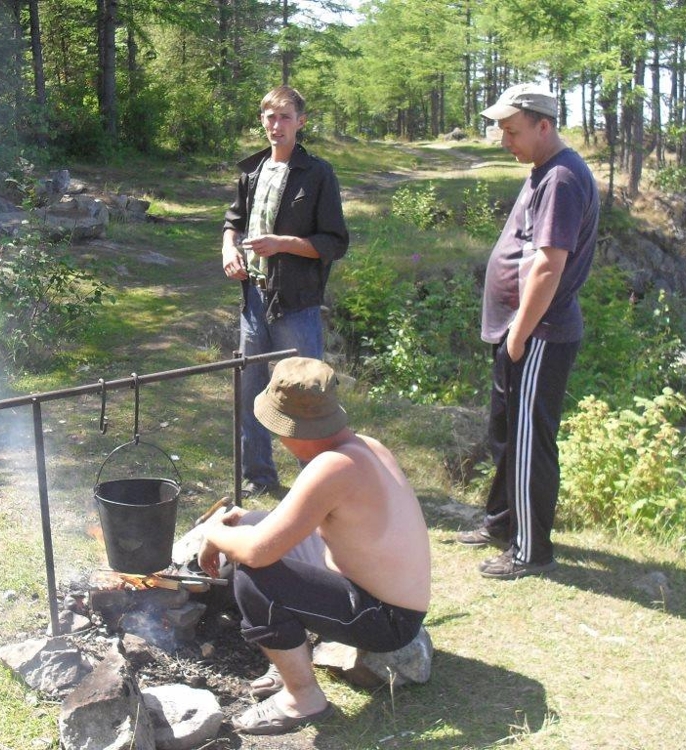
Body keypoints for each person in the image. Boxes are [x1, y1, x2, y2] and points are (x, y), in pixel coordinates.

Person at [197, 357, 430, 735]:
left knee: (255, 575)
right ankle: (291, 658)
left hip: (388, 619)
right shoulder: (364, 446)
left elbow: (258, 553)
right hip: (376, 592)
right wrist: (239, 529)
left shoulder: (331, 468)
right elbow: (280, 527)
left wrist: (213, 532)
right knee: (253, 523)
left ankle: (303, 698)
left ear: (294, 430)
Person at [456, 83, 599, 580]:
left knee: (529, 440)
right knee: (505, 433)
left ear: (544, 126)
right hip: (520, 329)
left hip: (541, 331)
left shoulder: (562, 177)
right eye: (501, 130)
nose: (503, 141)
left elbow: (547, 266)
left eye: (512, 131)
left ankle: (532, 550)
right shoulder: (543, 169)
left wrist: (519, 333)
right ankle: (501, 523)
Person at [221, 86, 349, 498]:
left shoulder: (317, 174)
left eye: (285, 118)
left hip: (296, 303)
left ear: (300, 122)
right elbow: (233, 222)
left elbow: (334, 242)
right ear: (262, 120)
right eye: (270, 118)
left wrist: (283, 244)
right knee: (251, 388)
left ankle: (318, 480)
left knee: (306, 393)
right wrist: (229, 250)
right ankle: (259, 477)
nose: (276, 126)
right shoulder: (252, 170)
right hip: (254, 300)